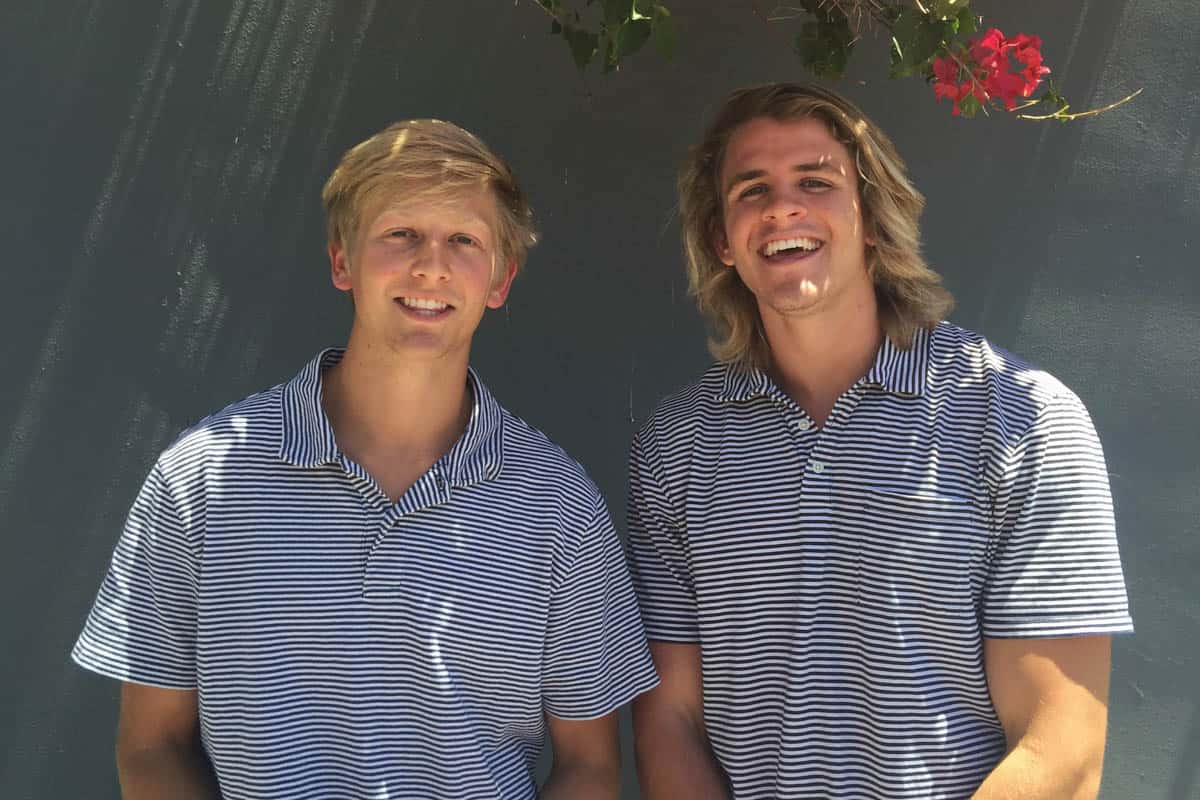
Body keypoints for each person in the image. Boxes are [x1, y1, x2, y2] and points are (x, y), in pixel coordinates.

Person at [73, 119, 657, 799]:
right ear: (342, 261)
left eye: (464, 240)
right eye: (400, 233)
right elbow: (151, 747)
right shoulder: (201, 480)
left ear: (501, 280)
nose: (430, 264)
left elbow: (589, 764)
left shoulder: (556, 504)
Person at [627, 83, 1133, 799]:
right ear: (722, 240)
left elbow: (1063, 745)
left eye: (816, 181)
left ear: (872, 218)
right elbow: (670, 718)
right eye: (751, 191)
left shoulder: (1022, 422)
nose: (782, 208)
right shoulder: (678, 445)